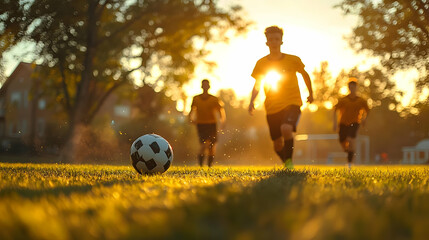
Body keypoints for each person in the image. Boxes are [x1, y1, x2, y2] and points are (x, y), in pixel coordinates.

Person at [248, 26, 314, 169]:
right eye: (271, 39)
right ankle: (286, 162)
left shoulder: (293, 59)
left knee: (286, 128)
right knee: (277, 144)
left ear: (281, 41)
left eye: (277, 39)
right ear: (267, 42)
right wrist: (252, 101)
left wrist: (311, 93)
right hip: (272, 107)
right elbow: (258, 84)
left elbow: (305, 74)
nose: (274, 42)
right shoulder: (261, 63)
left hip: (293, 102)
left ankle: (289, 164)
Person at [333, 77, 370, 168]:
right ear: (348, 88)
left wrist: (364, 119)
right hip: (343, 123)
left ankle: (349, 163)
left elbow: (367, 110)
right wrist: (334, 123)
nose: (352, 88)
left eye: (354, 86)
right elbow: (335, 110)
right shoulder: (343, 100)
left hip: (354, 123)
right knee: (342, 141)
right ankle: (348, 151)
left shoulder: (361, 100)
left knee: (350, 139)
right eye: (350, 86)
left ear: (356, 87)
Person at [189, 79, 226, 167]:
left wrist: (222, 121)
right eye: (203, 85)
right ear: (201, 86)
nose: (205, 87)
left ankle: (210, 165)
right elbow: (192, 110)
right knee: (203, 144)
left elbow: (221, 111)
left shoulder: (214, 99)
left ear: (209, 86)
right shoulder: (196, 98)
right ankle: (201, 164)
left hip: (212, 124)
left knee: (212, 146)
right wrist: (190, 119)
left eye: (207, 85)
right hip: (201, 124)